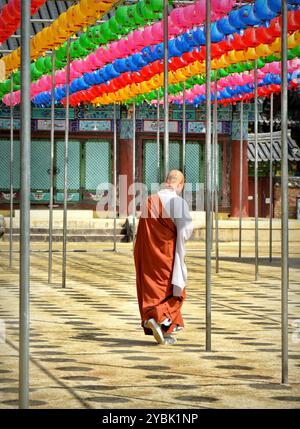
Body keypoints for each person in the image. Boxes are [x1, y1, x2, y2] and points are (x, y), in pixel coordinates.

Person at [134, 170, 193, 345]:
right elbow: (185, 231)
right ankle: (158, 318)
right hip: (166, 255)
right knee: (175, 291)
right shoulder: (177, 201)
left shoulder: (149, 200)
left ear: (167, 181)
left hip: (148, 254)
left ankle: (163, 328)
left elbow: (142, 232)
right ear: (180, 185)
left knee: (153, 292)